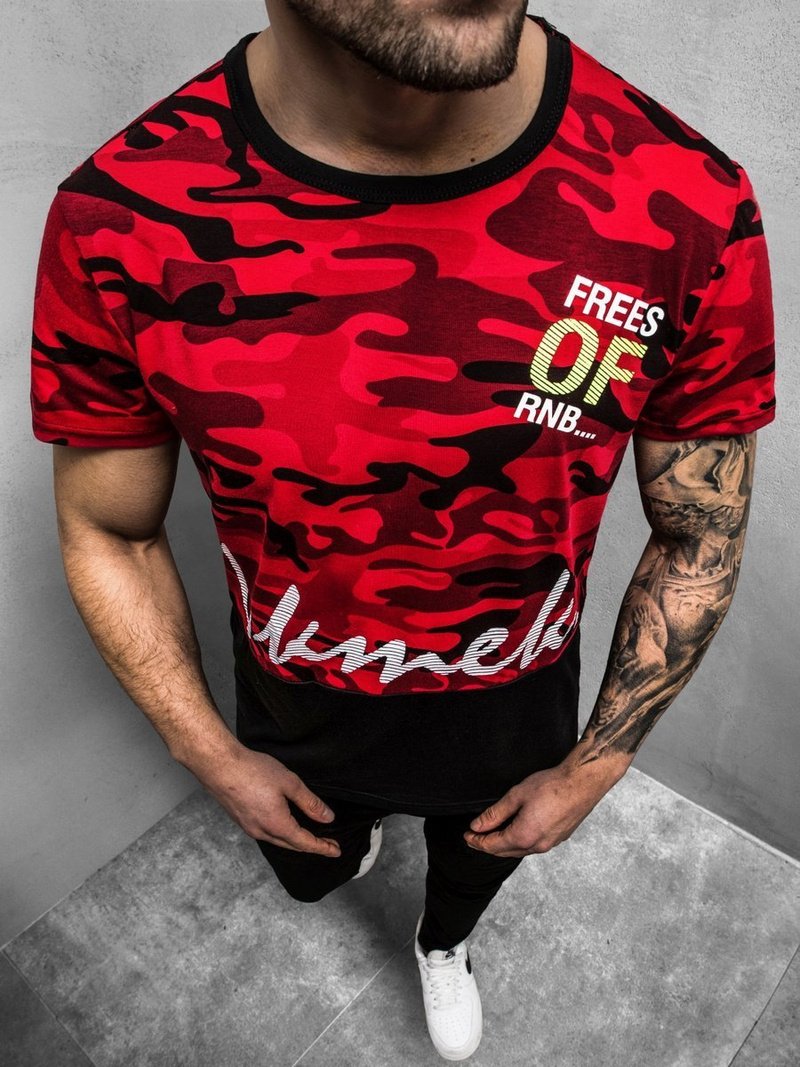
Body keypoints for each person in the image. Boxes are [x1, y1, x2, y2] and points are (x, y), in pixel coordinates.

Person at [29, 2, 776, 1060]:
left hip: (515, 704)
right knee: (314, 860)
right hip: (291, 700)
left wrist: (597, 765)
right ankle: (355, 843)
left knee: (476, 861)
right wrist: (206, 750)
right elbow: (110, 529)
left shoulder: (689, 202)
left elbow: (698, 532)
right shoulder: (116, 218)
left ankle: (444, 938)